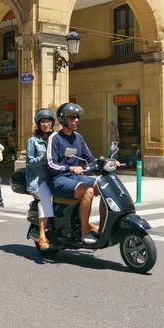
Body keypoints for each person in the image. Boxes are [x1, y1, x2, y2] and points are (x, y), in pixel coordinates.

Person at [46, 103, 99, 245]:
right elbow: (51, 163)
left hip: (74, 177)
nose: (76, 120)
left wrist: (106, 163)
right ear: (63, 120)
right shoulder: (55, 137)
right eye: (72, 117)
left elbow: (90, 158)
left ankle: (103, 227)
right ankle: (84, 232)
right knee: (88, 191)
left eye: (77, 117)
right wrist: (69, 168)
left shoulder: (79, 138)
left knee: (102, 186)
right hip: (58, 178)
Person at [26, 109, 56, 250]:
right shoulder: (33, 142)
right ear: (39, 124)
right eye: (43, 122)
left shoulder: (56, 138)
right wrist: (42, 158)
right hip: (38, 180)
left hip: (55, 177)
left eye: (48, 121)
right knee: (46, 197)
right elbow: (29, 162)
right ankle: (43, 235)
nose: (46, 124)